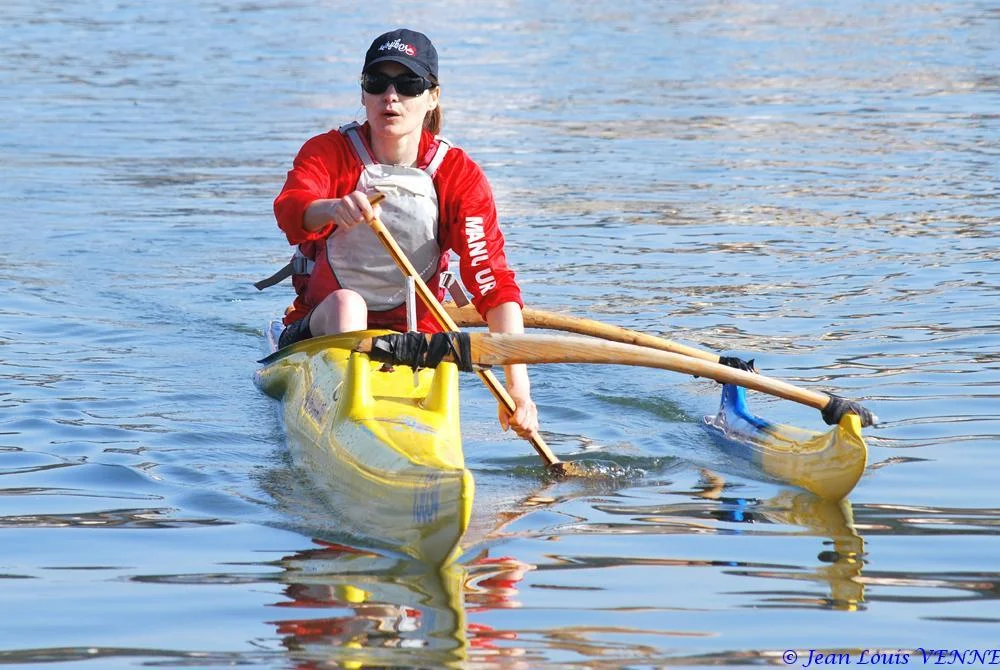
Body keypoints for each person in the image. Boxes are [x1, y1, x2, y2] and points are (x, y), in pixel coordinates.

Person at [270, 28, 538, 439]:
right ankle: (344, 426)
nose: (390, 96)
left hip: (417, 337)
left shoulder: (458, 176)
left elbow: (493, 282)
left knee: (445, 325)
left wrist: (519, 391)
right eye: (377, 83)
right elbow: (291, 209)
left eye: (408, 84)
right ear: (363, 94)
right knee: (348, 306)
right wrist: (332, 208)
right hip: (325, 324)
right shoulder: (329, 152)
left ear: (432, 97)